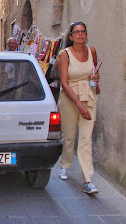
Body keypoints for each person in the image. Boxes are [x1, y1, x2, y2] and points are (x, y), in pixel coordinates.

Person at [57, 22, 100, 194]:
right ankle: (64, 165)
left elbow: (95, 75)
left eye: (83, 31)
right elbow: (64, 83)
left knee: (86, 139)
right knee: (69, 136)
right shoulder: (65, 54)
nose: (80, 34)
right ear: (71, 36)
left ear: (86, 34)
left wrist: (96, 80)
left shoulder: (92, 52)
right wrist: (78, 104)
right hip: (70, 98)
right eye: (77, 32)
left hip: (88, 96)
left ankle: (88, 179)